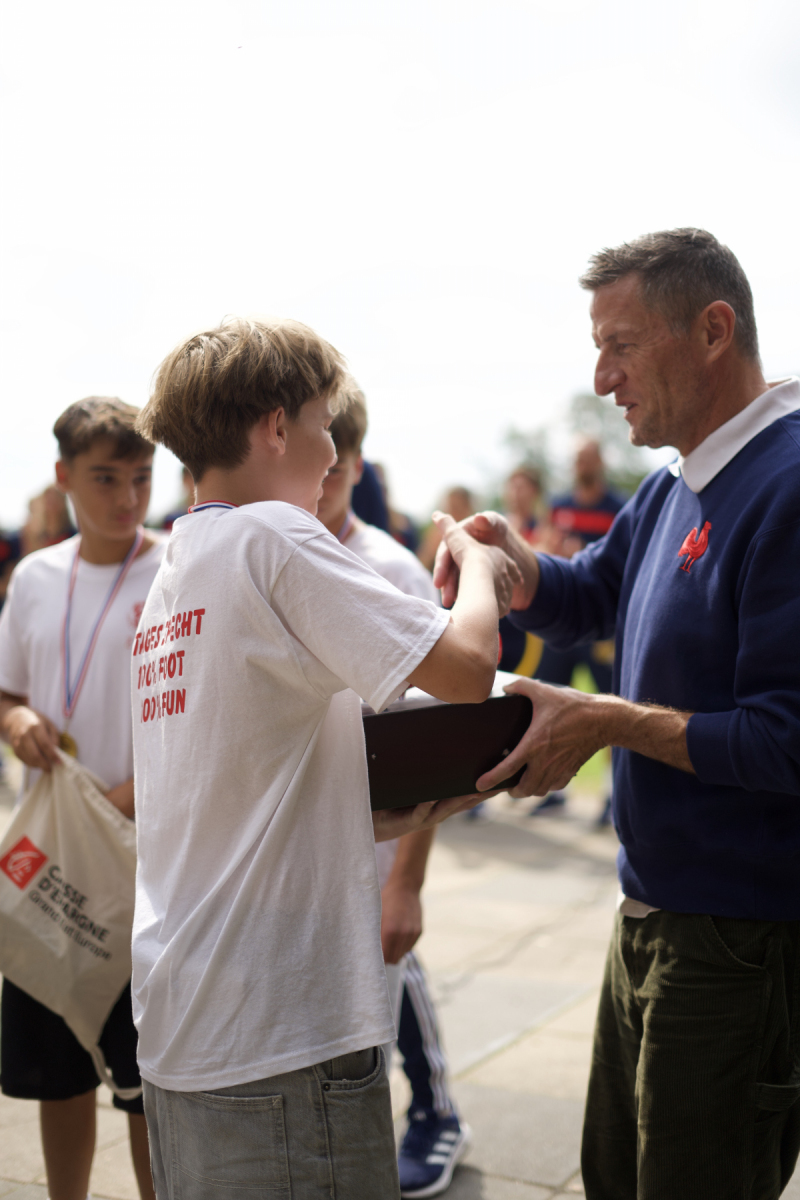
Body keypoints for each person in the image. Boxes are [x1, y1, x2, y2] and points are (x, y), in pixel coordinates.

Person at [434, 228, 800, 1199]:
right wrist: (513, 560)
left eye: (621, 346)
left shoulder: (787, 482)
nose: (602, 379)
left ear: (712, 330)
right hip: (648, 910)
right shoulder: (676, 481)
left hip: (739, 936)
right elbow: (591, 591)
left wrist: (603, 720)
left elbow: (786, 742)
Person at [129, 317, 520, 1199]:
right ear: (277, 426)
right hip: (283, 1029)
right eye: (325, 424)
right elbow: (466, 669)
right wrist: (475, 565)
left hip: (187, 1013)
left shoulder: (177, 570)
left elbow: (243, 788)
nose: (336, 451)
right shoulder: (271, 535)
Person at [0, 397, 163, 1200]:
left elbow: (207, 721)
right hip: (54, 866)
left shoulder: (176, 571)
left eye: (142, 477)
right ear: (63, 476)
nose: (127, 498)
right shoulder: (35, 575)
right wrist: (17, 719)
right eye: (105, 478)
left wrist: (129, 798)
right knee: (54, 1074)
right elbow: (7, 693)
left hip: (146, 866)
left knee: (148, 1086)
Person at [316, 382, 469, 1198]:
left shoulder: (388, 570)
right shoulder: (272, 550)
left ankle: (437, 1111)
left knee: (392, 963)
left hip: (377, 828)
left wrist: (406, 881)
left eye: (335, 472)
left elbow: (436, 738)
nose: (318, 488)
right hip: (308, 832)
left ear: (357, 466)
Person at [530, 441, 623, 819]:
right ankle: (553, 789)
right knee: (549, 699)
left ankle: (612, 794)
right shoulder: (559, 505)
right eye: (576, 459)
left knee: (611, 704)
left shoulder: (618, 507)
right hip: (563, 622)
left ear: (599, 461)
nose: (581, 465)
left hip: (602, 624)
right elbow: (542, 547)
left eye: (586, 458)